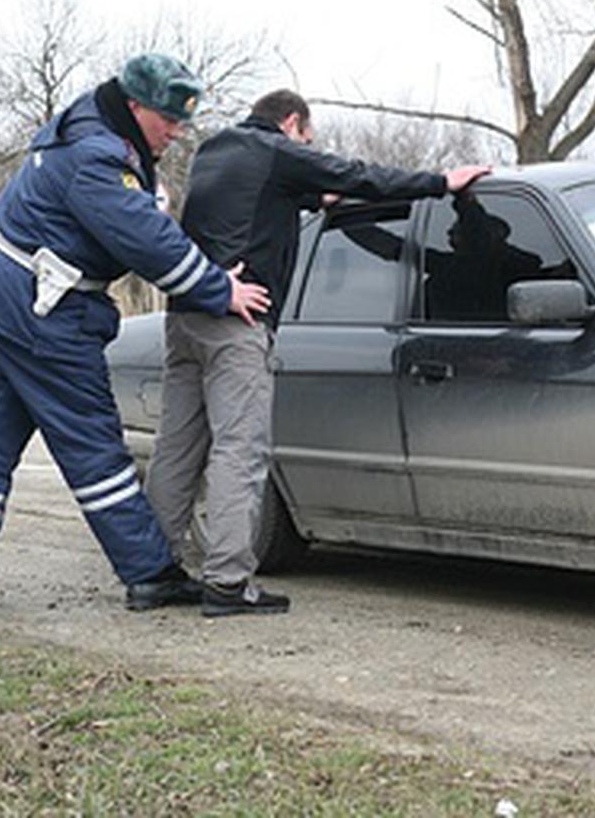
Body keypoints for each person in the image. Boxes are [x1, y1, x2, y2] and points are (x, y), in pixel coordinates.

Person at [0, 54, 271, 618]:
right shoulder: (99, 158)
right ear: (135, 106)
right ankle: (149, 573)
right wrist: (220, 290)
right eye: (167, 118)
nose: (176, 130)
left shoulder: (79, 132)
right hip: (42, 310)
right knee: (95, 451)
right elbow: (146, 241)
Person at [144, 89, 490, 616]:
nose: (308, 147)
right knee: (241, 449)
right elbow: (356, 174)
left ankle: (153, 574)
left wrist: (311, 198)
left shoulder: (216, 151)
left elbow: (258, 204)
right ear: (292, 123)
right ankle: (228, 583)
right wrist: (441, 182)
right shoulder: (278, 151)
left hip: (186, 317)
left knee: (177, 447)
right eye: (308, 138)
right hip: (240, 319)